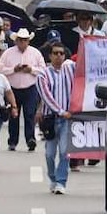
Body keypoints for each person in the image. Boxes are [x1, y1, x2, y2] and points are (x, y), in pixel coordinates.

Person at [0, 28, 45, 152]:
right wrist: (13, 69)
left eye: (25, 40)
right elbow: (0, 69)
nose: (22, 42)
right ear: (16, 41)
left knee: (30, 114)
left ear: (28, 41)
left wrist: (31, 70)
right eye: (20, 40)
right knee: (13, 115)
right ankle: (13, 141)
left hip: (30, 88)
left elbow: (43, 70)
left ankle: (30, 139)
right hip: (13, 89)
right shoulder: (8, 53)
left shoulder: (35, 53)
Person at [37, 44, 74, 194]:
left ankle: (61, 182)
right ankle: (53, 178)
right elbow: (46, 96)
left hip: (67, 120)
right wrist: (60, 111)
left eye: (61, 53)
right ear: (50, 56)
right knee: (49, 154)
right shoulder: (43, 74)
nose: (58, 56)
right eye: (55, 53)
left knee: (65, 151)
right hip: (50, 119)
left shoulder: (70, 69)